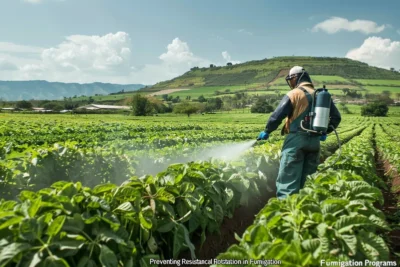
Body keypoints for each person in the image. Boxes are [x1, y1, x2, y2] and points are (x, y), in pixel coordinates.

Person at [257, 66, 341, 199]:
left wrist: (267, 130)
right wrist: (325, 131)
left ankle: (286, 214)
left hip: (296, 141)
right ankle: (304, 212)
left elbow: (276, 115)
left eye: (291, 79)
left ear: (296, 78)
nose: (290, 82)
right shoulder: (320, 95)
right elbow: (336, 117)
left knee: (288, 182)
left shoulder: (294, 94)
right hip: (314, 142)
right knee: (307, 183)